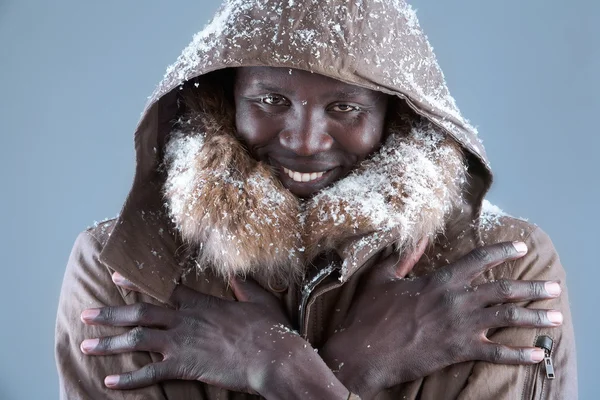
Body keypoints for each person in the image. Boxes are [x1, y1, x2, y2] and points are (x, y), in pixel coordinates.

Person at [55, 0, 577, 399]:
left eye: (346, 107)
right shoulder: (122, 270)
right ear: (225, 96)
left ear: (397, 114)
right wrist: (336, 372)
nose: (304, 141)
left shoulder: (504, 268)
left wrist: (291, 372)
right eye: (270, 100)